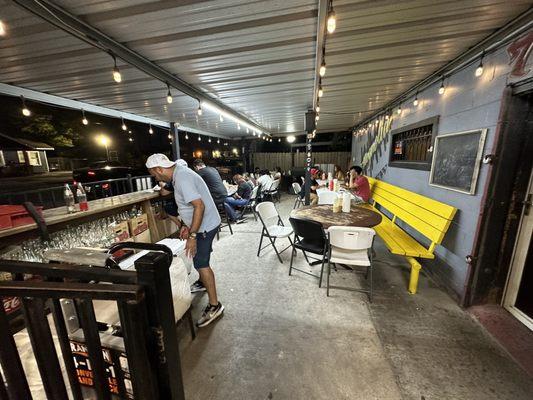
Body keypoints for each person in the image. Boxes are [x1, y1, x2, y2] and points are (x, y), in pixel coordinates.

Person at [146, 154, 224, 328]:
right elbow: (188, 206)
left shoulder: (182, 178)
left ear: (159, 169)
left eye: (155, 174)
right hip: (204, 224)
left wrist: (193, 236)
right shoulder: (179, 175)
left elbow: (199, 206)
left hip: (205, 226)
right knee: (200, 262)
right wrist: (185, 225)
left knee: (201, 264)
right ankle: (203, 283)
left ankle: (215, 306)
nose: (156, 178)